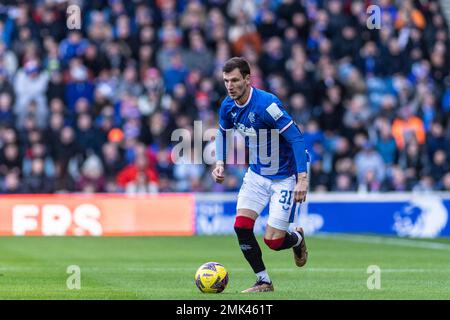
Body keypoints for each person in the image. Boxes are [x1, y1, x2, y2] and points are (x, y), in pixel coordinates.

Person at [211, 57, 308, 293]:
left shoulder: (267, 105)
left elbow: (295, 137)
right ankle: (263, 281)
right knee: (241, 226)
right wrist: (220, 162)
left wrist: (302, 178)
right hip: (256, 174)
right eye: (226, 81)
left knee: (273, 242)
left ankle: (296, 239)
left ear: (247, 79)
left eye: (234, 80)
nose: (230, 85)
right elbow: (223, 134)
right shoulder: (228, 105)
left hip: (283, 177)